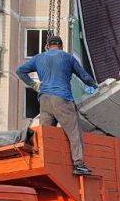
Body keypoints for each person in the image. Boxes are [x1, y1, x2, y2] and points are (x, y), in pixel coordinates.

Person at [16, 35, 98, 176]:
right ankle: (79, 164)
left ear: (47, 46)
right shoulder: (67, 57)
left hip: (44, 100)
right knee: (74, 133)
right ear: (61, 46)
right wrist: (94, 86)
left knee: (46, 135)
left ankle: (42, 164)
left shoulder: (38, 58)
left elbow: (20, 71)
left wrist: (33, 84)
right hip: (62, 99)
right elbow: (84, 76)